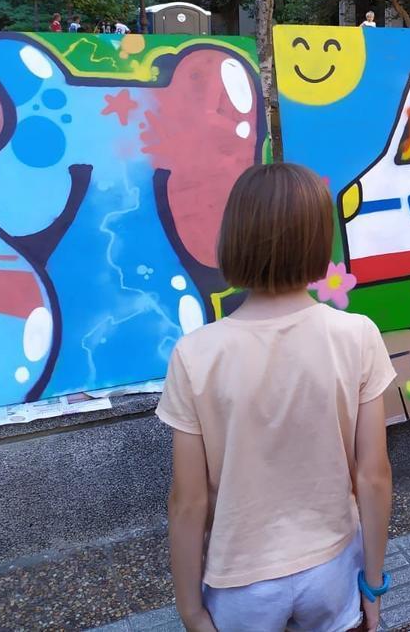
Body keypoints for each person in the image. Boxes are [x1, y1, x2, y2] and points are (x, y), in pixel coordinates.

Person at [155, 163, 396, 632]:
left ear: (234, 238)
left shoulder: (195, 354)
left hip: (240, 582)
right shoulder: (357, 335)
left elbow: (188, 500)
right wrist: (372, 583)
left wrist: (190, 610)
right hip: (331, 567)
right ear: (317, 242)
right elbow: (373, 475)